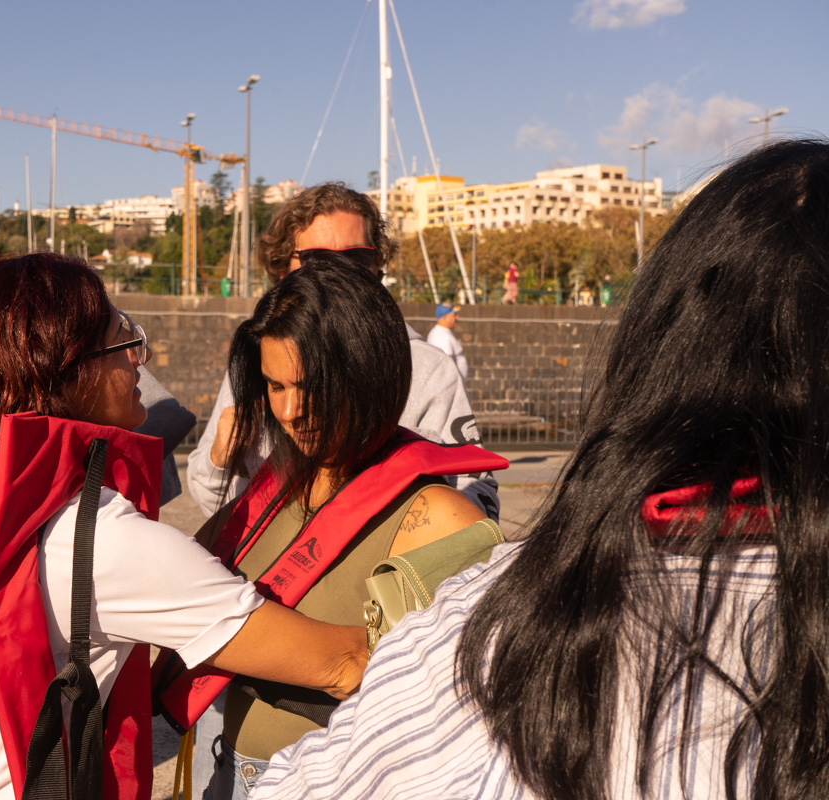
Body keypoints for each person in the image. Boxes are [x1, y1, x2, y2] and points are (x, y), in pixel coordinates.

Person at [249, 139, 829, 799]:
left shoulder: (492, 602)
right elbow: (218, 488)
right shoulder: (260, 361)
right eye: (276, 388)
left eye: (354, 260)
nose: (293, 410)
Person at [0, 254, 368, 800]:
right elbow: (342, 663)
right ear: (70, 370)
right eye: (123, 339)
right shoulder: (99, 541)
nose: (142, 357)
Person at [155, 255, 507, 799]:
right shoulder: (276, 486)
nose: (291, 411)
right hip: (225, 769)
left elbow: (465, 707)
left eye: (310, 386)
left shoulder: (442, 518)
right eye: (274, 387)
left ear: (369, 375)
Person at [187, 182, 498, 521]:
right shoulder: (260, 359)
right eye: (318, 261)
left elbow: (478, 498)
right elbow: (212, 502)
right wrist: (220, 460)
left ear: (377, 267)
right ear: (281, 271)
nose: (340, 275)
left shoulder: (426, 368)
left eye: (356, 260)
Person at [426, 302, 467, 382]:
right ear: (445, 318)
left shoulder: (442, 332)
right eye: (454, 315)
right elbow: (447, 365)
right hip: (450, 385)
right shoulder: (441, 335)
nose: (457, 317)